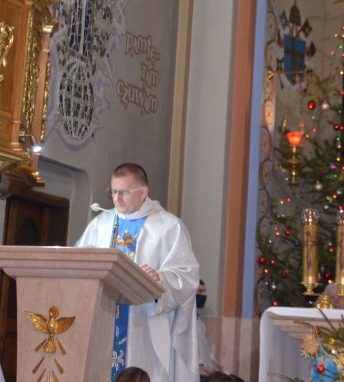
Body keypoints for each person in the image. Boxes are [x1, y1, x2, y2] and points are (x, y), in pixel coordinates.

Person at [75, 163, 201, 382]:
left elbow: (186, 276)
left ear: (143, 193)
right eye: (113, 191)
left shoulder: (169, 227)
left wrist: (160, 279)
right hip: (104, 321)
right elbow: (80, 262)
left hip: (144, 325)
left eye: (124, 192)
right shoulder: (101, 224)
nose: (117, 199)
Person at [196, 280, 244, 382]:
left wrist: (214, 365)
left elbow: (206, 350)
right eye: (200, 291)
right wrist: (197, 367)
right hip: (195, 372)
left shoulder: (200, 323)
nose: (203, 295)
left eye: (204, 291)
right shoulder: (184, 323)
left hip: (208, 369)